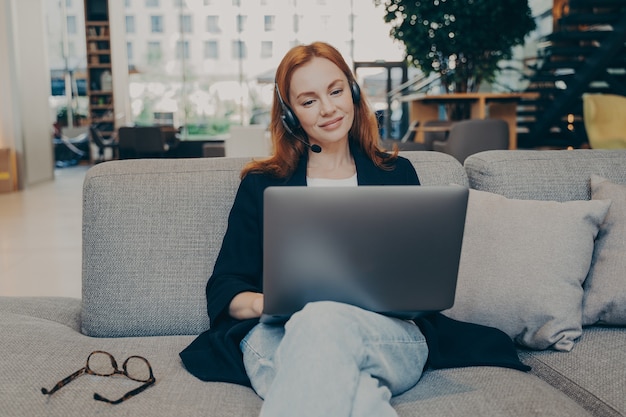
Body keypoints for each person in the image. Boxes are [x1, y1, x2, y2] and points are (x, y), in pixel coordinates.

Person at [180, 42, 528, 417]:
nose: (328, 108)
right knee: (357, 391)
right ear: (290, 115)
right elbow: (226, 285)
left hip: (385, 335)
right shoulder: (262, 184)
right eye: (309, 100)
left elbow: (418, 279)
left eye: (335, 91)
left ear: (354, 92)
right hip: (282, 335)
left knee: (322, 320)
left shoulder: (397, 174)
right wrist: (266, 302)